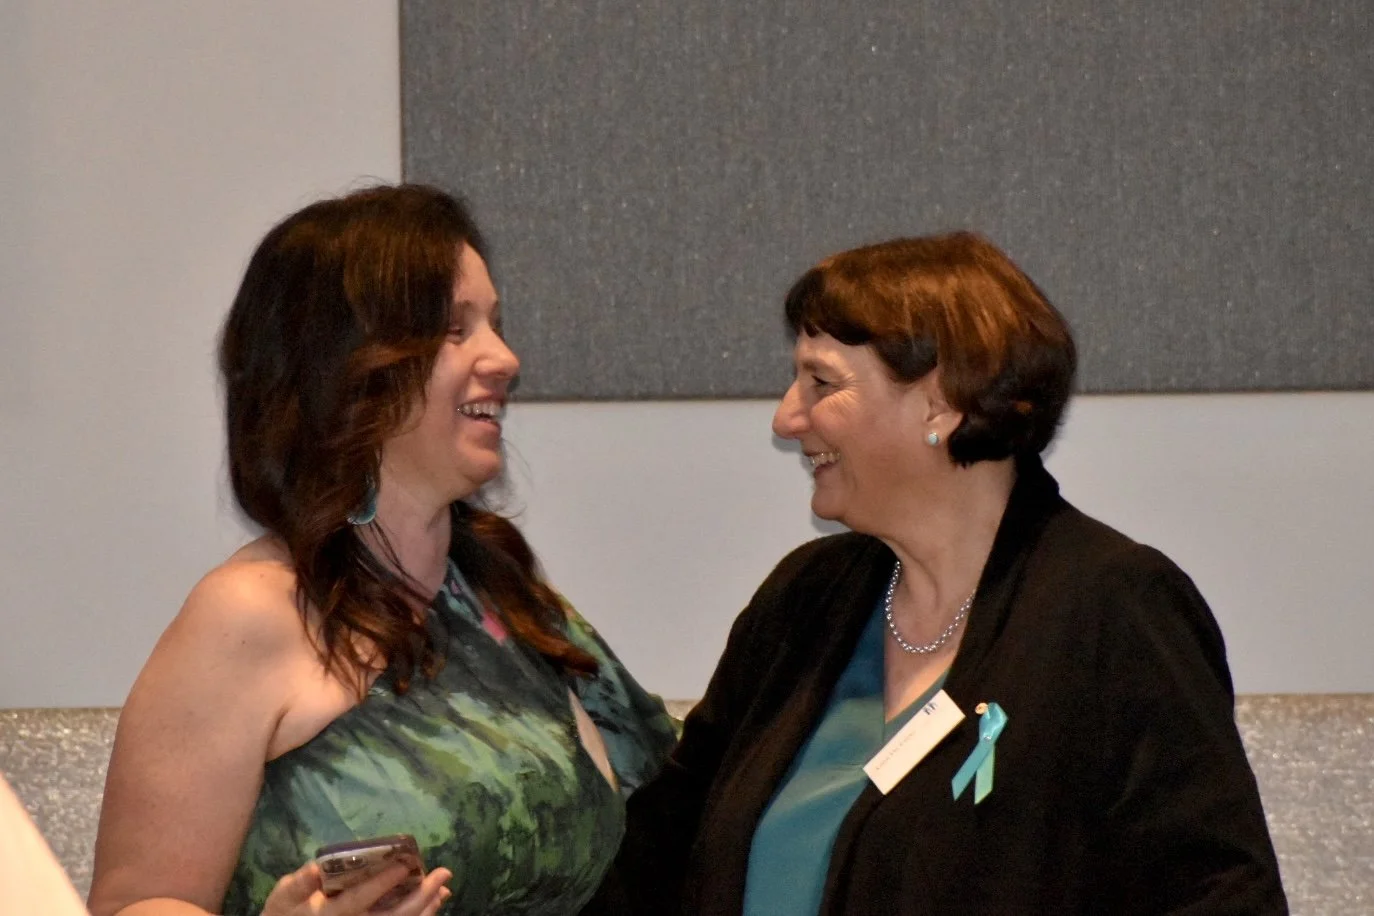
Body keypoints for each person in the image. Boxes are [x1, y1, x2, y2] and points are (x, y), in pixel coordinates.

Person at [590, 233, 1288, 915]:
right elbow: (653, 868)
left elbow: (1218, 894)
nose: (786, 418)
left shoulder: (1112, 609)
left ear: (941, 401)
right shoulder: (803, 601)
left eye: (821, 382)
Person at [87, 184, 677, 916]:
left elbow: (678, 818)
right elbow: (137, 904)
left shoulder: (504, 596)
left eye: (494, 323)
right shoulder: (248, 615)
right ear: (347, 369)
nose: (505, 358)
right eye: (455, 329)